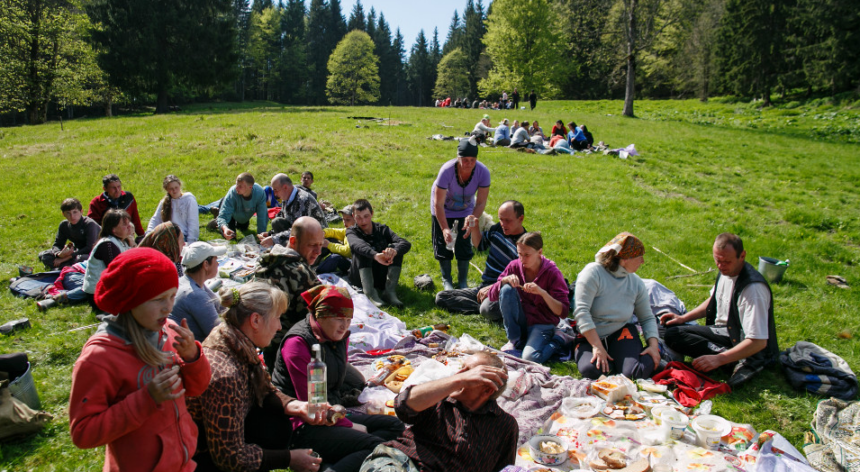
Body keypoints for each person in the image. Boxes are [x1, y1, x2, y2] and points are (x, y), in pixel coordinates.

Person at [69, 247, 211, 472]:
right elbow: (83, 433)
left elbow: (198, 388)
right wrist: (146, 399)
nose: (169, 306)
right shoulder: (100, 358)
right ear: (130, 301)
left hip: (183, 461)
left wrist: (193, 357)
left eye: (172, 296)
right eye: (158, 299)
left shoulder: (169, 331)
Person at [187, 282, 325, 472]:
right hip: (201, 459)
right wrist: (289, 458)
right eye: (277, 318)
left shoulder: (232, 339)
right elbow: (229, 457)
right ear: (255, 321)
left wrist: (296, 406)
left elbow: (263, 388)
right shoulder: (225, 375)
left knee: (276, 424)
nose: (278, 327)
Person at [273, 285, 405, 472]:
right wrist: (351, 426)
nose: (345, 325)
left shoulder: (338, 336)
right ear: (321, 315)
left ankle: (329, 463)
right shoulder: (298, 344)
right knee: (375, 447)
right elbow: (311, 404)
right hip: (302, 425)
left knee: (395, 427)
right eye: (339, 319)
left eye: (349, 319)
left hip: (332, 412)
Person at [358, 351, 517, 472]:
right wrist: (458, 381)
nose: (459, 374)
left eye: (469, 373)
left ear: (487, 390)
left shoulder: (505, 425)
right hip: (401, 463)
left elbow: (505, 469)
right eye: (462, 369)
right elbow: (403, 407)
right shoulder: (439, 395)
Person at [662, 233, 778, 387]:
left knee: (676, 336)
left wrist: (719, 358)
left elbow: (758, 342)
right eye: (718, 260)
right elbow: (715, 300)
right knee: (670, 331)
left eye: (727, 261)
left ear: (742, 256)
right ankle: (731, 358)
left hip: (745, 341)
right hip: (726, 331)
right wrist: (683, 318)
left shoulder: (753, 290)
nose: (721, 266)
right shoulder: (727, 271)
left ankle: (742, 360)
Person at [573, 232, 660, 380]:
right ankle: (615, 362)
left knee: (631, 374)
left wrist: (653, 346)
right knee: (592, 371)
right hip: (591, 336)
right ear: (625, 259)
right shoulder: (593, 273)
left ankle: (655, 356)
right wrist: (597, 346)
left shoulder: (636, 283)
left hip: (621, 332)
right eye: (639, 257)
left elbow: (646, 317)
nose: (643, 261)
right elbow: (581, 312)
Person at [435, 201, 527, 322]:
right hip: (483, 286)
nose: (503, 224)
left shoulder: (526, 245)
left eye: (508, 220)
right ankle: (485, 306)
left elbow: (523, 281)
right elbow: (480, 245)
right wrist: (474, 229)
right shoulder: (498, 229)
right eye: (501, 219)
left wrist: (494, 287)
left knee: (487, 310)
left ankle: (489, 306)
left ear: (520, 219)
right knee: (441, 297)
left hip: (504, 290)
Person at [487, 232, 570, 363]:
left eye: (527, 255)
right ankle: (514, 339)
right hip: (521, 320)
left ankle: (558, 340)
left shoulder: (552, 273)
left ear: (540, 252)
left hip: (542, 323)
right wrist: (504, 281)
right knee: (507, 289)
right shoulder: (514, 266)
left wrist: (542, 293)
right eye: (519, 254)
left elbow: (563, 311)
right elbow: (491, 295)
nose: (522, 259)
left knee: (530, 358)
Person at [256, 216, 325, 369]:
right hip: (291, 351)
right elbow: (323, 317)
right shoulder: (300, 272)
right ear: (293, 241)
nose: (319, 251)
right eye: (313, 245)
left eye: (320, 245)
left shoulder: (270, 260)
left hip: (267, 346)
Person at [431, 137, 491, 291]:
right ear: (458, 157)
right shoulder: (446, 171)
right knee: (444, 243)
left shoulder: (483, 172)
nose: (468, 163)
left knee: (464, 243)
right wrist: (444, 228)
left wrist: (473, 218)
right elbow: (438, 204)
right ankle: (447, 280)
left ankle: (462, 281)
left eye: (472, 159)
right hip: (443, 208)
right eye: (464, 159)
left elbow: (481, 202)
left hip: (466, 210)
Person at [346, 199, 412, 308]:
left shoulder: (382, 229)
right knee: (363, 251)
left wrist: (393, 251)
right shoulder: (351, 231)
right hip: (360, 279)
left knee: (395, 249)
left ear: (372, 214)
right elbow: (357, 245)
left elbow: (405, 243)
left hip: (381, 276)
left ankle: (389, 292)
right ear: (353, 216)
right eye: (358, 217)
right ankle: (370, 293)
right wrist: (375, 255)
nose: (363, 221)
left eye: (366, 216)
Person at [170, 241, 227, 342]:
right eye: (216, 259)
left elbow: (221, 306)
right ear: (206, 264)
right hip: (193, 352)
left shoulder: (188, 280)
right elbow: (219, 334)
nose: (218, 263)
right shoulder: (195, 295)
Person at [260, 173, 328, 248]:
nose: (275, 194)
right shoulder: (286, 197)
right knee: (277, 222)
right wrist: (269, 234)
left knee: (288, 243)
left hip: (316, 235)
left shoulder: (302, 200)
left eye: (276, 190)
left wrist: (273, 239)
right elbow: (286, 219)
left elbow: (299, 230)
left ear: (285, 187)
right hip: (301, 230)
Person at [39, 198, 101, 270]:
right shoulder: (64, 225)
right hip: (75, 251)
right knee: (45, 255)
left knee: (82, 258)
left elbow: (90, 247)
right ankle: (65, 267)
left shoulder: (89, 224)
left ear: (81, 212)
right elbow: (57, 244)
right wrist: (59, 254)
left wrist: (67, 257)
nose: (72, 216)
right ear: (63, 214)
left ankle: (62, 268)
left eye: (75, 212)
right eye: (68, 213)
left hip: (92, 253)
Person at [214, 173, 268, 241]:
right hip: (231, 214)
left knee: (243, 227)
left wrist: (261, 236)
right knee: (231, 237)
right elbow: (223, 216)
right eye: (236, 184)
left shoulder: (259, 193)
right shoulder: (232, 193)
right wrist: (225, 228)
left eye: (240, 186)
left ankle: (217, 218)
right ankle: (216, 222)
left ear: (250, 187)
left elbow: (262, 216)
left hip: (244, 214)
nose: (236, 187)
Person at [146, 175, 200, 243]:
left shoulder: (189, 200)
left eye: (176, 187)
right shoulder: (164, 202)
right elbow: (155, 219)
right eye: (171, 189)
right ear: (167, 190)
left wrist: (191, 242)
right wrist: (148, 235)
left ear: (180, 185)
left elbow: (193, 222)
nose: (174, 191)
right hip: (167, 236)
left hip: (183, 237)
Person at [316, 205, 355, 277]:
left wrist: (329, 245)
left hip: (354, 265)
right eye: (343, 219)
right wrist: (323, 233)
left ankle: (317, 274)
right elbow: (335, 232)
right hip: (349, 259)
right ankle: (312, 261)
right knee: (329, 239)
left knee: (335, 258)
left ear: (356, 218)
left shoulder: (356, 232)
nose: (344, 222)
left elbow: (347, 252)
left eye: (348, 220)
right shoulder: (349, 229)